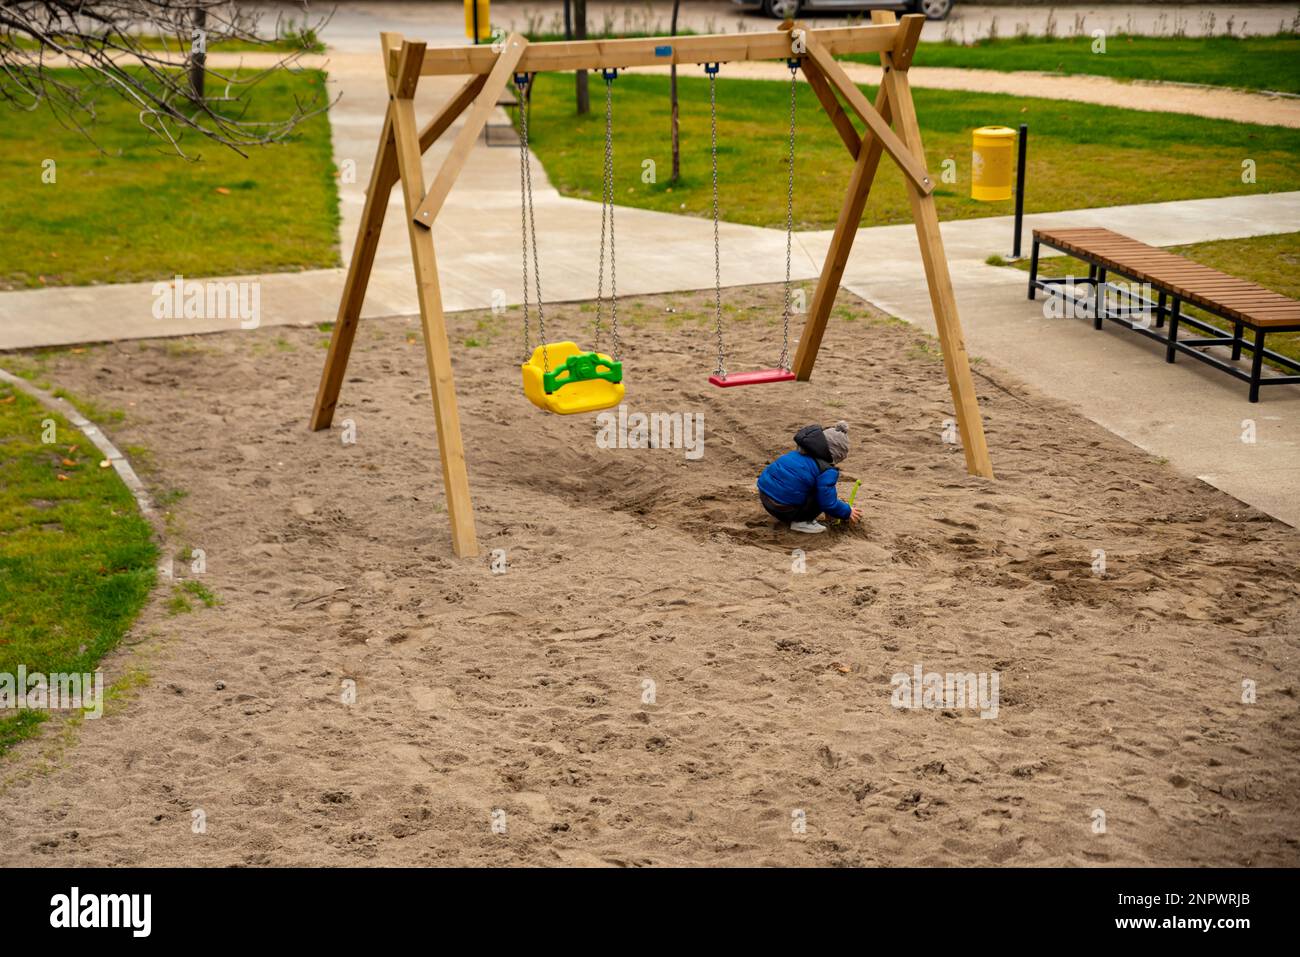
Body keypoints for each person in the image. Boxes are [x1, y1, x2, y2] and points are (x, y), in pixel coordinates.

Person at [756, 421, 862, 534]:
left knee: (810, 485)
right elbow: (827, 502)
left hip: (766, 499)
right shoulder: (826, 470)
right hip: (785, 509)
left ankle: (795, 515)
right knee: (821, 493)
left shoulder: (795, 454)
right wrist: (847, 511)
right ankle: (802, 522)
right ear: (835, 454)